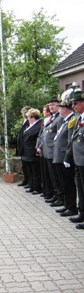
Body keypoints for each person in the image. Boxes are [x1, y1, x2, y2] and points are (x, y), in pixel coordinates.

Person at [53, 97, 77, 217]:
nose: (59, 110)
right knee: (64, 183)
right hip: (60, 155)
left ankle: (71, 206)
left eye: (60, 108)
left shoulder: (72, 120)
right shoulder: (64, 121)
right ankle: (67, 205)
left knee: (68, 183)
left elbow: (70, 140)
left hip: (65, 156)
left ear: (65, 109)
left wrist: (67, 156)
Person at [66, 89, 84, 229]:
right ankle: (81, 213)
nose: (73, 106)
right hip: (79, 161)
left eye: (76, 103)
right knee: (81, 189)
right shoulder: (79, 118)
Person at [21, 108, 43, 194]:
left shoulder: (39, 125)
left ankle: (37, 188)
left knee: (35, 171)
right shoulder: (31, 125)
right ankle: (32, 186)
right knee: (30, 170)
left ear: (33, 117)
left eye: (29, 118)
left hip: (33, 151)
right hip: (27, 151)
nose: (28, 120)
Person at [16, 106, 31, 187]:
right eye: (23, 112)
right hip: (22, 148)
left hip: (27, 148)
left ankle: (28, 181)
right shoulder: (25, 122)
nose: (24, 114)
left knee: (28, 167)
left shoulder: (29, 122)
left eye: (25, 112)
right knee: (24, 166)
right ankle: (26, 180)